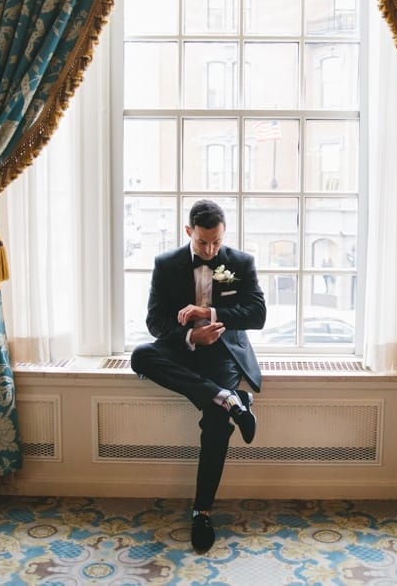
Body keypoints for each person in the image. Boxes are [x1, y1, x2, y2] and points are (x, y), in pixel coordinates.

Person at [131, 199, 266, 553]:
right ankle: (229, 399)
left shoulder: (241, 262)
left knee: (217, 424)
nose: (210, 250)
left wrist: (209, 312)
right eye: (203, 242)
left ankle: (201, 511)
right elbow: (154, 322)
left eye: (216, 242)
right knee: (141, 355)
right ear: (189, 232)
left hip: (222, 353)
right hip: (183, 349)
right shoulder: (166, 264)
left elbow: (257, 314)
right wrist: (191, 335)